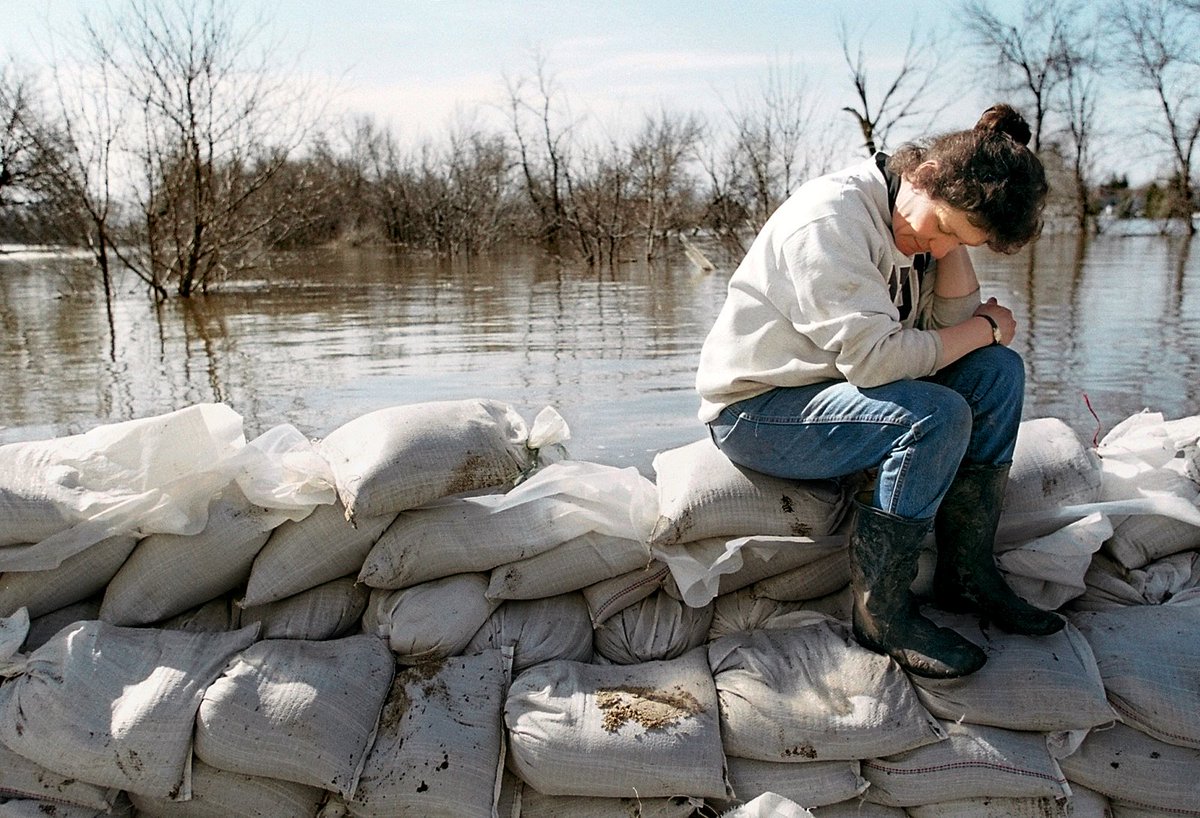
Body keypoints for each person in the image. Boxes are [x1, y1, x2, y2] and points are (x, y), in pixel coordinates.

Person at [695, 104, 1064, 679]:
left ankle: (967, 575)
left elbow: (952, 321)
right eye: (941, 228)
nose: (935, 246)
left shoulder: (919, 216)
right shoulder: (830, 221)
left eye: (960, 242)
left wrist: (953, 250)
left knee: (997, 372)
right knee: (934, 414)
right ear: (922, 172)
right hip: (759, 410)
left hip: (838, 393)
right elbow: (877, 360)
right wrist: (983, 327)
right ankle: (882, 614)